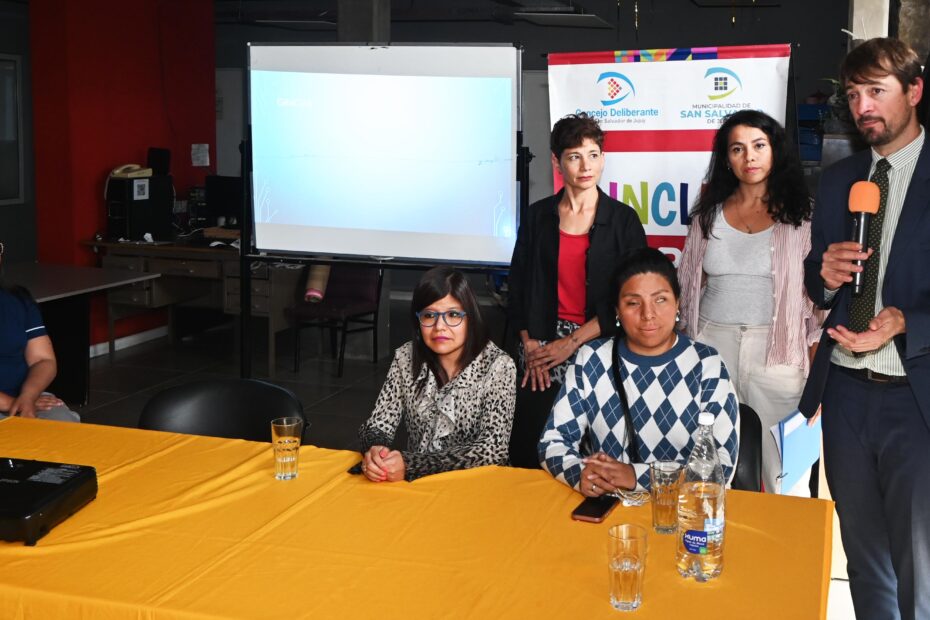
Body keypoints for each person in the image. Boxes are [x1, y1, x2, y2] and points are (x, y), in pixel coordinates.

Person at [799, 38, 930, 620]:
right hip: (846, 392)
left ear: (915, 91)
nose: (863, 106)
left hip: (914, 396)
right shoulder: (839, 181)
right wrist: (825, 278)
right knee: (863, 556)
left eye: (877, 90)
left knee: (917, 563)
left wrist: (907, 321)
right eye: (853, 95)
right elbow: (816, 279)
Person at [677, 109, 822, 495]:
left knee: (784, 476)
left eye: (759, 145)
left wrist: (819, 379)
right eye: (737, 149)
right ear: (727, 158)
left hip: (778, 354)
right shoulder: (707, 215)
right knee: (708, 468)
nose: (749, 157)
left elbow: (817, 307)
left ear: (775, 151)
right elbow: (688, 287)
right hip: (711, 347)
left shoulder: (803, 216)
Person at [539, 248, 738, 495]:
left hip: (684, 510)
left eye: (660, 299)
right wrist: (580, 475)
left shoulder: (707, 364)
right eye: (633, 303)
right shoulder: (591, 358)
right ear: (617, 310)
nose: (648, 314)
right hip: (609, 504)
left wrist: (636, 476)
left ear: (678, 303)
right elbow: (552, 440)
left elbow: (721, 466)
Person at [507, 113, 646, 467]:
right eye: (575, 157)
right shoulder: (538, 217)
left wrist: (570, 343)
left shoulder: (623, 220)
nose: (586, 166)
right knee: (535, 447)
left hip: (598, 342)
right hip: (539, 347)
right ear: (557, 162)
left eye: (593, 155)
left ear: (603, 158)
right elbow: (518, 285)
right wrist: (530, 345)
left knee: (594, 453)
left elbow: (632, 300)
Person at [358, 266, 516, 482]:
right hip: (420, 485)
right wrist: (376, 450)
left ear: (470, 317)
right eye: (429, 315)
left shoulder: (499, 365)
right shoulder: (406, 357)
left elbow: (493, 449)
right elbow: (377, 424)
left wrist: (412, 465)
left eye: (453, 315)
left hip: (478, 485)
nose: (439, 326)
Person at [0, 242, 80, 422]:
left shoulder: (17, 299)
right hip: (12, 402)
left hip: (25, 396)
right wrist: (14, 404)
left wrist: (28, 396)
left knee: (64, 422)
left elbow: (43, 359)